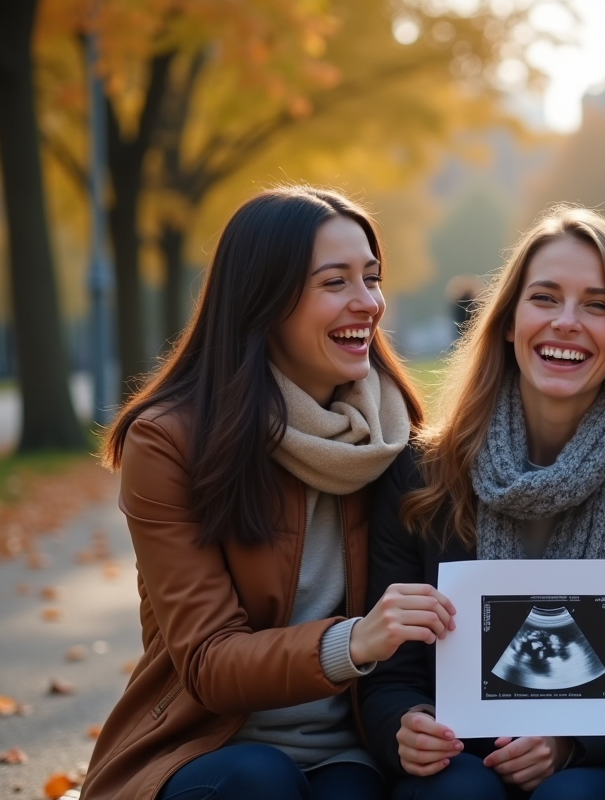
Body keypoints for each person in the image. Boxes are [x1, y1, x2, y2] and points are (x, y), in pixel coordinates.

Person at [82, 187, 457, 800]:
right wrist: (354, 639)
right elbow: (208, 662)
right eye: (335, 283)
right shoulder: (171, 442)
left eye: (372, 278)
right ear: (264, 299)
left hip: (349, 753)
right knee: (263, 780)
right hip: (204, 751)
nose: (368, 303)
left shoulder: (395, 440)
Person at [359, 207, 605, 800]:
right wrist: (405, 726)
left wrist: (568, 744)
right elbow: (391, 673)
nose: (567, 322)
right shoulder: (424, 471)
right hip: (458, 757)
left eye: (597, 306)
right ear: (507, 322)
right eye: (545, 298)